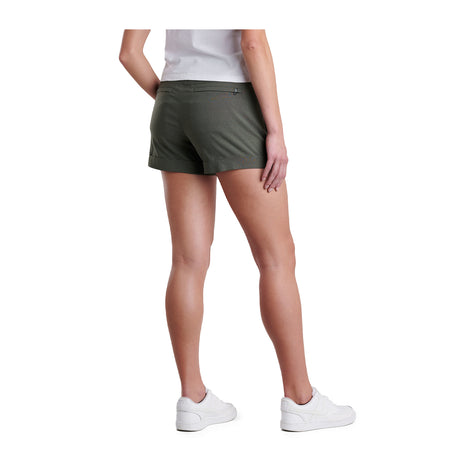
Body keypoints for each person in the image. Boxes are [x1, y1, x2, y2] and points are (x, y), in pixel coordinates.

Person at [119, 29, 356, 432]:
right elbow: (252, 43)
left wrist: (174, 99)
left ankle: (193, 399)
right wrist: (275, 130)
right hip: (227, 102)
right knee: (276, 257)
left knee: (187, 260)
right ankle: (301, 399)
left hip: (172, 104)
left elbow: (129, 53)